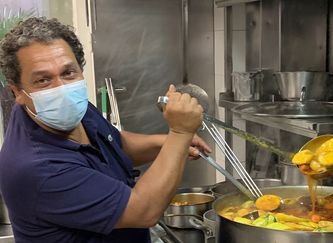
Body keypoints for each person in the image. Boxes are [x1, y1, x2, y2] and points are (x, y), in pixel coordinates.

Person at [0, 17, 211, 243]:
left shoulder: (68, 108)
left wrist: (165, 143)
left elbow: (114, 144)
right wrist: (179, 134)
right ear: (18, 92)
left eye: (68, 72)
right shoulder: (37, 169)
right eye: (43, 80)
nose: (62, 88)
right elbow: (143, 211)